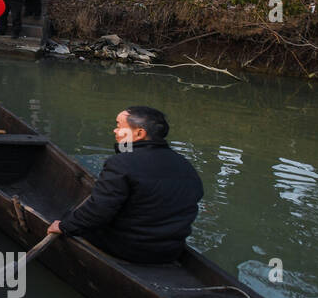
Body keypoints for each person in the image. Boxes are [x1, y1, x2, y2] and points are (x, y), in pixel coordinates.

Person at [47, 107, 203, 263]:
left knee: (69, 215)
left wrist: (65, 226)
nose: (115, 131)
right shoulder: (185, 165)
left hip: (129, 249)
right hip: (171, 251)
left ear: (139, 133)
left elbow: (98, 211)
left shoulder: (121, 164)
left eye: (120, 126)